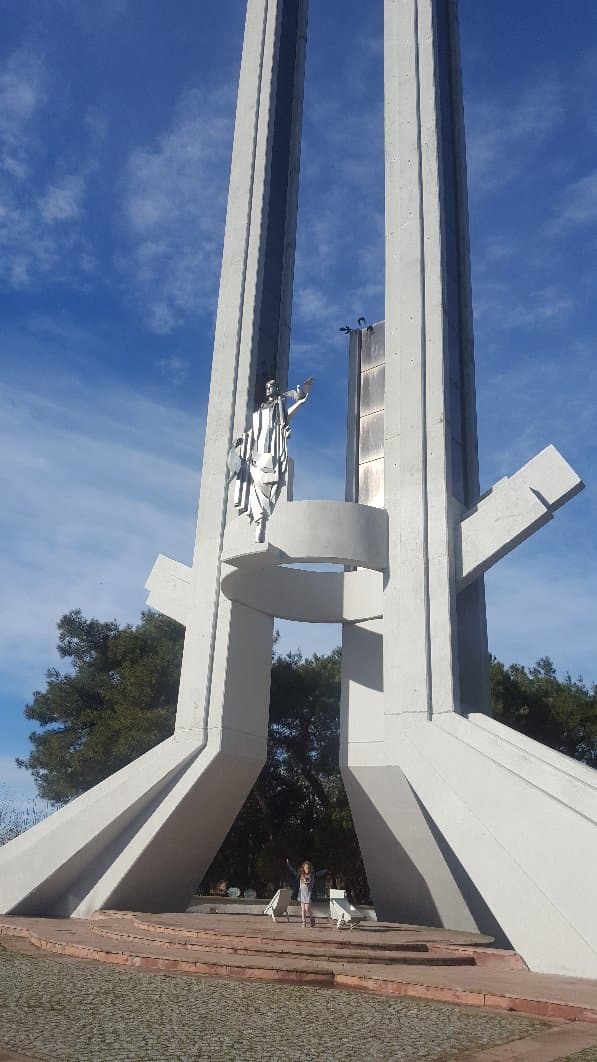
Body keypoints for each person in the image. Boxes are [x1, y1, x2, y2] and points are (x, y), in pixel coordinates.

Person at [231, 376, 314, 542]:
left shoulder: (278, 408)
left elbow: (285, 418)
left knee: (266, 488)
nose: (269, 389)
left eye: (272, 386)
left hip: (270, 456)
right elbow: (253, 433)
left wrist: (300, 402)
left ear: (276, 389)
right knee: (254, 487)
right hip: (255, 456)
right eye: (267, 387)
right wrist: (240, 443)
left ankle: (261, 523)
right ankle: (259, 521)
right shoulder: (260, 411)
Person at [286, 858, 328, 928]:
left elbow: (319, 873)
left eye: (308, 868)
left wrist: (326, 870)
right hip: (301, 894)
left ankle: (312, 918)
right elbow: (293, 871)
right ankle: (304, 922)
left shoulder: (312, 875)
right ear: (303, 868)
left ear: (310, 868)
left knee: (307, 908)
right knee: (302, 909)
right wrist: (288, 864)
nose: (307, 869)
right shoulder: (300, 874)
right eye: (305, 868)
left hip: (308, 894)